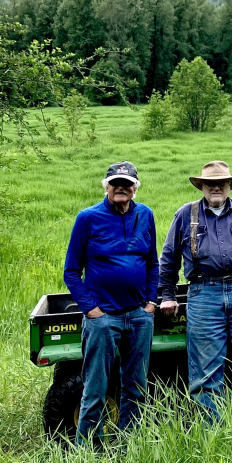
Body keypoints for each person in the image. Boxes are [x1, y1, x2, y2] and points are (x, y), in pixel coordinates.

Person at [159, 161, 232, 413]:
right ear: (202, 186)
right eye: (210, 183)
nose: (216, 187)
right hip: (203, 293)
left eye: (222, 182)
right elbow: (169, 259)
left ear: (230, 185)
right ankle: (213, 431)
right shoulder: (186, 214)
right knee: (206, 372)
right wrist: (167, 295)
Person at [63, 160, 159, 445]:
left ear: (135, 189)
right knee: (95, 388)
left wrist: (151, 303)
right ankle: (88, 450)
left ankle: (128, 446)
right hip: (103, 318)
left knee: (136, 387)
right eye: (116, 183)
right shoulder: (88, 218)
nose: (121, 187)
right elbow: (71, 272)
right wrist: (92, 310)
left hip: (139, 315)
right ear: (106, 187)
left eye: (127, 183)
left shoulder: (146, 215)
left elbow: (153, 264)